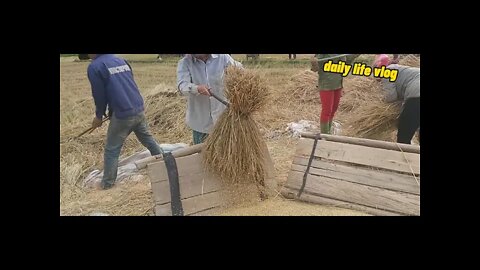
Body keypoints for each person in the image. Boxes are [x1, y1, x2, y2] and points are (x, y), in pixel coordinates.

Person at [87, 54, 163, 190]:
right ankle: (164, 161)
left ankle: (107, 184)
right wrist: (110, 112)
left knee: (112, 149)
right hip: (138, 108)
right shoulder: (120, 60)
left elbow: (99, 94)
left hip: (123, 114)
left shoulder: (95, 67)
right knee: (148, 139)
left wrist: (99, 116)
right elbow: (126, 85)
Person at [176, 54, 243, 144]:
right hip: (200, 123)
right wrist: (197, 88)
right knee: (202, 155)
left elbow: (240, 70)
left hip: (223, 120)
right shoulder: (185, 63)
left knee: (224, 153)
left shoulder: (223, 58)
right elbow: (182, 86)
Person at [374, 55, 420, 144]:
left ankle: (405, 156)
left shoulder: (387, 72)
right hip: (416, 94)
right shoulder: (402, 69)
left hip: (416, 96)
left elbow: (391, 97)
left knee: (404, 135)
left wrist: (381, 100)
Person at [312, 54, 360, 134]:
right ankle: (324, 135)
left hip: (338, 84)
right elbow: (315, 67)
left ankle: (328, 132)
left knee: (333, 109)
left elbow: (346, 61)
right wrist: (314, 63)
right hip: (326, 84)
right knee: (327, 110)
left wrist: (354, 55)